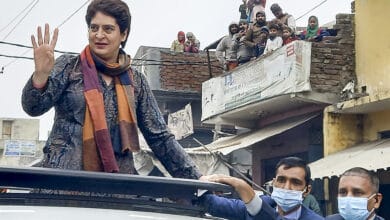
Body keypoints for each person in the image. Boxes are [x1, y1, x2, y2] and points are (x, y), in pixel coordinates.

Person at [21, 0, 201, 180]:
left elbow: (160, 138)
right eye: (94, 28)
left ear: (123, 34)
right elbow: (33, 107)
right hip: (62, 186)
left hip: (115, 191)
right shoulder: (69, 67)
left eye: (108, 29)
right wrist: (41, 75)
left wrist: (198, 178)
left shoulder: (136, 81)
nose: (99, 35)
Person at [200, 157, 324, 220]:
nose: (287, 187)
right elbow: (212, 204)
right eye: (281, 180)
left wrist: (241, 186)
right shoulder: (262, 203)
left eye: (295, 182)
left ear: (307, 190)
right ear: (274, 183)